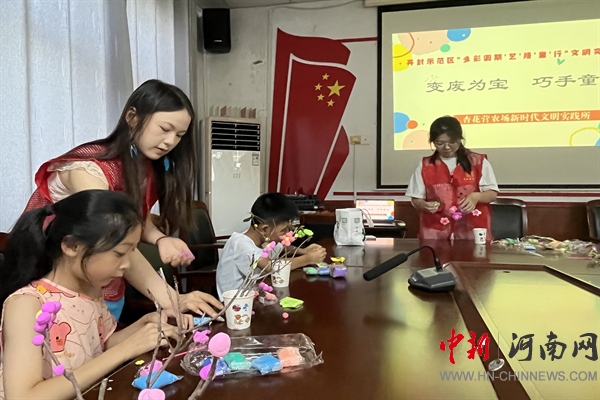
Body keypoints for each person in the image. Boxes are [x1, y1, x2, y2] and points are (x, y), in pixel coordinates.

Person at [23, 80, 222, 321]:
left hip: (103, 286)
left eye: (179, 135)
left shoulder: (143, 167)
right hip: (56, 291)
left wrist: (160, 239)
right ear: (132, 117)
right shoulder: (88, 171)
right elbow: (116, 237)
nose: (171, 141)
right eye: (164, 128)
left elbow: (134, 222)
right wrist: (171, 299)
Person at [0, 190, 180, 400]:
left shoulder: (91, 290)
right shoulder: (27, 304)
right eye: (119, 253)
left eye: (131, 252)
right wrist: (126, 350)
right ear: (71, 246)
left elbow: (100, 344)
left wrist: (144, 324)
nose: (127, 265)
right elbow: (23, 396)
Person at [216, 193, 327, 299]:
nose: (288, 233)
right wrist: (307, 259)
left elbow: (282, 248)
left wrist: (302, 251)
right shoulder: (240, 244)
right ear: (265, 229)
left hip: (257, 292)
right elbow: (270, 266)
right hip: (235, 302)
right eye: (285, 230)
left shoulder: (264, 239)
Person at [406, 116, 499, 240]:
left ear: (460, 139)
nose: (446, 147)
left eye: (452, 142)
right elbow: (416, 199)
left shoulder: (478, 162)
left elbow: (492, 194)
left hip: (471, 231)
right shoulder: (425, 165)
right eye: (440, 143)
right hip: (435, 233)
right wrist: (423, 205)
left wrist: (476, 197)